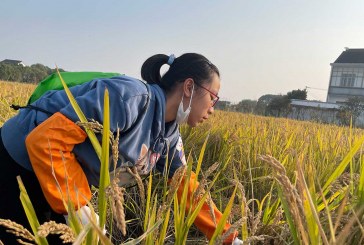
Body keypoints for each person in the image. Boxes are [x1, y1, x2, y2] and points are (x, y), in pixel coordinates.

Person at [0, 53, 242, 244]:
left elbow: (187, 188)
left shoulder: (169, 135)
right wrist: (78, 207)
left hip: (56, 178)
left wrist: (229, 238)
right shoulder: (129, 99)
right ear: (189, 87)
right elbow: (46, 139)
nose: (212, 109)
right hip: (17, 164)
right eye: (214, 98)